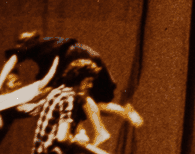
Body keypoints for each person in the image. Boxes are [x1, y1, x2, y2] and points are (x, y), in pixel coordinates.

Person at [6, 32, 143, 131]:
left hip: (77, 56)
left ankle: (88, 131)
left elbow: (12, 61)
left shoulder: (33, 46)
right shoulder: (47, 49)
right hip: (89, 55)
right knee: (95, 103)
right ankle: (124, 112)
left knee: (73, 96)